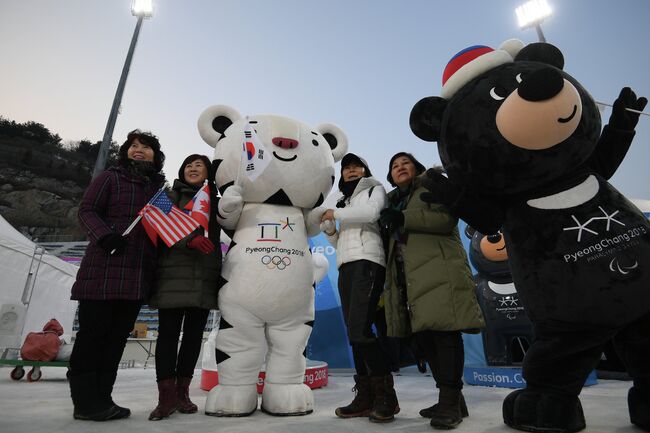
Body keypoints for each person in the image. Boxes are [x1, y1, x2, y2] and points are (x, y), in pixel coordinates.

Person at [379, 152, 485, 430]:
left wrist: (402, 217)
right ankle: (452, 399)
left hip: (440, 271)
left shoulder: (431, 187)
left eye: (406, 163)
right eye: (395, 166)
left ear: (417, 168)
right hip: (410, 277)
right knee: (426, 337)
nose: (400, 168)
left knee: (444, 334)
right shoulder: (393, 201)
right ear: (390, 175)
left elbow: (444, 221)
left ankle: (450, 402)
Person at [68, 130, 166, 421]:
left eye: (145, 147)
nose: (138, 150)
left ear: (155, 155)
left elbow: (163, 229)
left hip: (136, 277)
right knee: (92, 339)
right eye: (133, 146)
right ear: (125, 152)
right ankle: (85, 403)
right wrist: (105, 236)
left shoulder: (159, 191)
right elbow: (87, 210)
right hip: (103, 272)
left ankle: (103, 398)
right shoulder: (111, 177)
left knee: (114, 343)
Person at [320, 153, 399, 423]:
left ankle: (386, 396)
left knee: (360, 330)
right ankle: (365, 396)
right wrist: (330, 230)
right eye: (347, 168)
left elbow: (371, 214)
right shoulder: (344, 200)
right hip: (346, 265)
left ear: (365, 170)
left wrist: (336, 213)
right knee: (355, 334)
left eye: (356, 167)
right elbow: (338, 243)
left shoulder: (374, 188)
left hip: (369, 261)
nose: (351, 171)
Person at [147, 154, 222, 421]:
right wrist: (187, 242)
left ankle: (182, 393)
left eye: (199, 165)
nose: (193, 168)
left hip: (204, 276)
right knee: (167, 337)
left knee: (192, 338)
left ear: (208, 172)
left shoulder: (216, 200)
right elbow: (157, 230)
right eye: (189, 164)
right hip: (172, 276)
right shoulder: (165, 196)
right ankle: (165, 398)